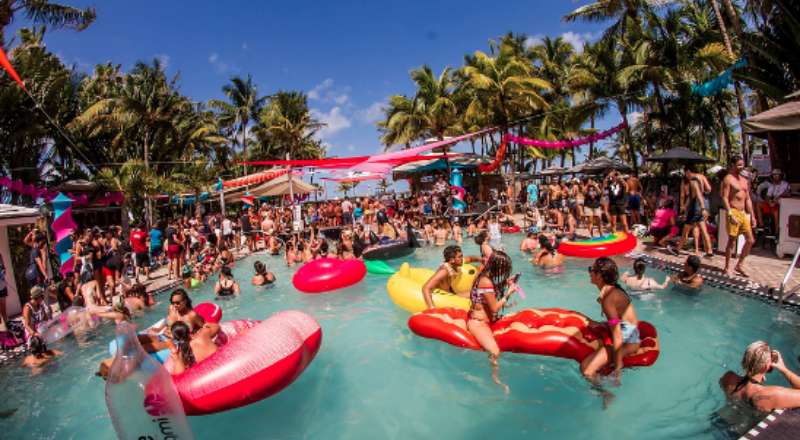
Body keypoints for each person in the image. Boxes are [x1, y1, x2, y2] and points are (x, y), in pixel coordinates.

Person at [581, 257, 640, 383]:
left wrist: (617, 369)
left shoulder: (608, 299)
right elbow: (619, 321)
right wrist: (603, 324)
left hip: (629, 340)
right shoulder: (610, 291)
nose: (589, 272)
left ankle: (606, 395)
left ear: (600, 276)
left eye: (591, 269)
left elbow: (618, 335)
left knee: (587, 370)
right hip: (629, 331)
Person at [466, 251, 517, 389]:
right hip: (478, 323)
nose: (505, 271)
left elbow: (487, 295)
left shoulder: (483, 276)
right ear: (498, 267)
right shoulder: (486, 281)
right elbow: (494, 308)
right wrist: (508, 294)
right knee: (495, 351)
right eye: (505, 269)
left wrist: (504, 284)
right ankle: (496, 381)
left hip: (485, 320)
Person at [720, 341, 800, 412]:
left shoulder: (728, 378)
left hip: (722, 420)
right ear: (766, 367)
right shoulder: (772, 394)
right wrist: (784, 369)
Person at [721, 156, 756, 277]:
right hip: (733, 211)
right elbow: (724, 197)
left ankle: (739, 265)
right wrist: (730, 213)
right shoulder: (728, 179)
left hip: (743, 213)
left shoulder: (745, 180)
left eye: (742, 165)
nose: (741, 167)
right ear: (732, 165)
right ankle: (727, 267)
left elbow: (748, 199)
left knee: (750, 240)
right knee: (732, 241)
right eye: (739, 165)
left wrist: (752, 216)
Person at [756, 169, 790, 234]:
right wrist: (769, 202)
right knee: (758, 204)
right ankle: (761, 225)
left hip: (782, 204)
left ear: (780, 176)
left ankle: (777, 231)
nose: (775, 176)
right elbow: (768, 196)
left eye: (777, 175)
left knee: (776, 210)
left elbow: (788, 194)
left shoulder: (785, 184)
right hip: (773, 203)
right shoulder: (772, 185)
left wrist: (778, 199)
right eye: (774, 175)